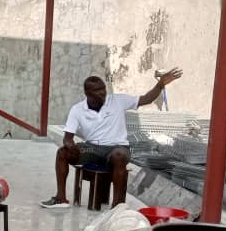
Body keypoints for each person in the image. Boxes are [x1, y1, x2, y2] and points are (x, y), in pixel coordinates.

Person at [41, 68, 183, 209]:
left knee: (119, 156)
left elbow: (147, 99)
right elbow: (67, 138)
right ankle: (61, 198)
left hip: (117, 147)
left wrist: (160, 84)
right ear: (88, 93)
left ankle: (117, 206)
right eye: (97, 90)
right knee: (62, 153)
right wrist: (70, 146)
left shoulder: (117, 101)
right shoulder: (77, 109)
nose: (103, 92)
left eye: (103, 88)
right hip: (92, 148)